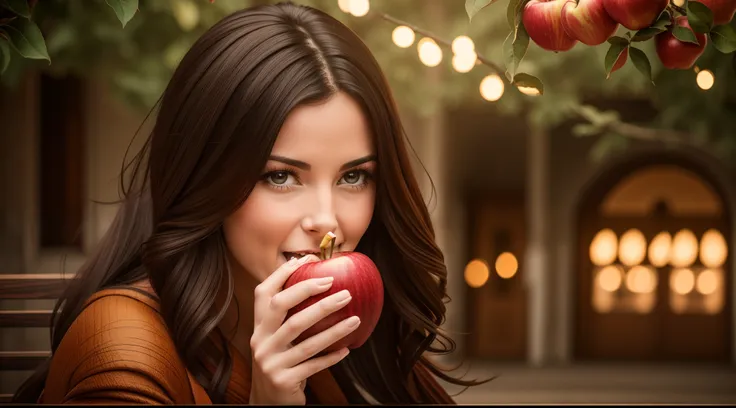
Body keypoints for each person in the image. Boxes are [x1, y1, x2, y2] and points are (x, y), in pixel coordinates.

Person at [13, 1, 489, 405]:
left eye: (353, 176)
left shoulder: (344, 329)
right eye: (280, 176)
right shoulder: (122, 353)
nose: (327, 221)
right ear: (206, 176)